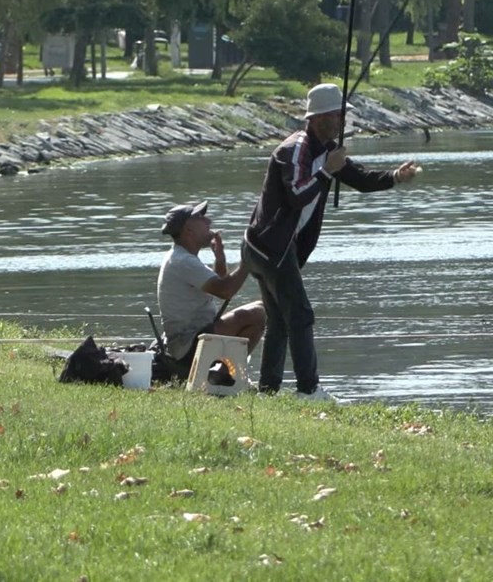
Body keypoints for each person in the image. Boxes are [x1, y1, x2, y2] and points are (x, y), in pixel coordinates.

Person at [242, 83, 420, 401]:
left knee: (281, 321)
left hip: (268, 247)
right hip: (270, 248)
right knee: (300, 315)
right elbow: (297, 195)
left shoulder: (326, 150)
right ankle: (309, 390)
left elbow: (361, 179)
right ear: (320, 117)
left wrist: (395, 176)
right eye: (337, 115)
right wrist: (326, 172)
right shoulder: (295, 149)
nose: (342, 121)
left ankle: (267, 391)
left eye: (343, 115)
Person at [157, 201, 266, 381]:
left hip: (189, 340)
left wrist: (220, 259)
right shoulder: (183, 261)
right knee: (257, 313)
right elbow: (226, 291)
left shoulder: (182, 257)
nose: (208, 221)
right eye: (201, 218)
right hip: (189, 344)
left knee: (259, 310)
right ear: (188, 230)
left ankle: (224, 376)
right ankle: (225, 376)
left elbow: (218, 284)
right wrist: (249, 259)